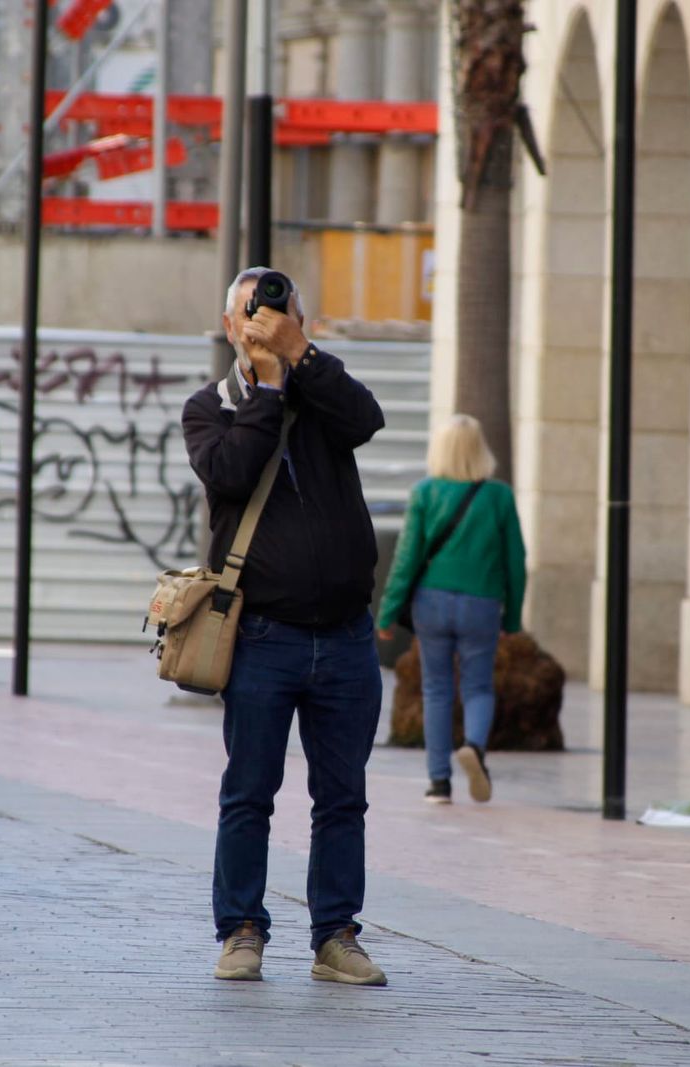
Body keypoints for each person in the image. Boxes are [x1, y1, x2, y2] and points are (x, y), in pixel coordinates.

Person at [182, 267, 388, 986]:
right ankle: (241, 928)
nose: (267, 320)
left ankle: (337, 935)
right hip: (262, 637)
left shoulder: (324, 396)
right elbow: (232, 474)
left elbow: (366, 419)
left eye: (281, 312)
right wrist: (268, 391)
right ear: (233, 328)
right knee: (249, 792)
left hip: (345, 636)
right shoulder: (211, 408)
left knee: (343, 797)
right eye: (254, 313)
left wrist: (300, 360)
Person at [376, 414, 526, 805]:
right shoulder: (499, 496)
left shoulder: (425, 492)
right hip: (482, 604)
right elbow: (516, 561)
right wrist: (512, 618)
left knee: (437, 690)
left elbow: (407, 557)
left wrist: (389, 612)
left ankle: (438, 783)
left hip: (432, 602)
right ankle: (474, 747)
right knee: (478, 686)